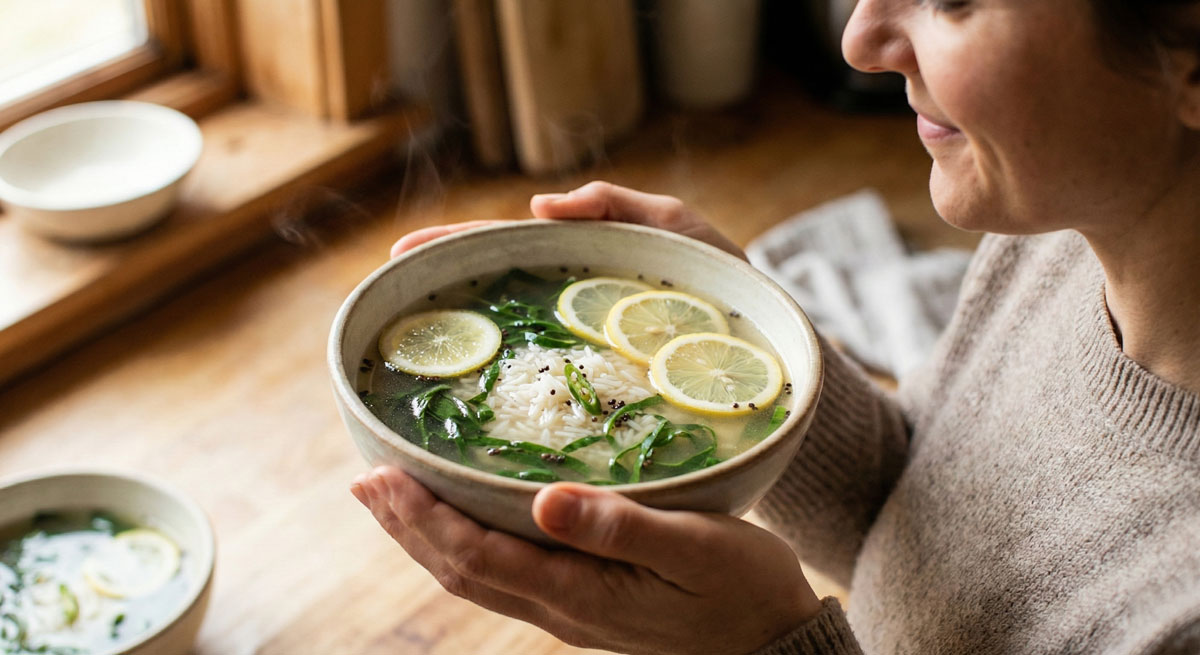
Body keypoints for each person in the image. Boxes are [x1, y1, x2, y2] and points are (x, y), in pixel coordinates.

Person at [350, 0, 1200, 652]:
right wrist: (757, 338)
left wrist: (767, 643)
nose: (861, 38)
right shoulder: (1066, 231)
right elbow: (920, 511)